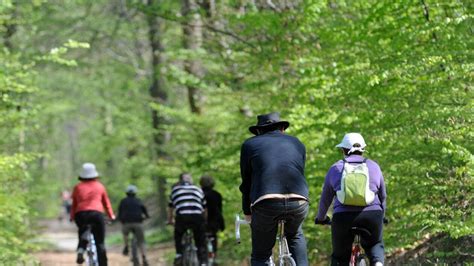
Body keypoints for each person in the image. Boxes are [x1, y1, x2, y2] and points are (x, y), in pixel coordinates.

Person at [240, 112, 309, 266]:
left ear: (258, 131)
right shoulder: (297, 143)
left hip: (266, 202)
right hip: (299, 201)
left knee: (260, 255)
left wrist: (247, 211)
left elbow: (247, 182)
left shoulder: (249, 145)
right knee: (295, 234)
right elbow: (299, 171)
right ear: (282, 129)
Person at [314, 133, 387, 266]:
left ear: (343, 150)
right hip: (372, 215)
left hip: (343, 217)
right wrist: (383, 215)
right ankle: (377, 262)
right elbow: (383, 196)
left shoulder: (336, 168)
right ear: (363, 149)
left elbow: (326, 198)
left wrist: (321, 218)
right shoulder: (374, 166)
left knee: (340, 257)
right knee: (375, 244)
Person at [71, 163, 115, 266]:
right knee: (100, 242)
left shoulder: (77, 187)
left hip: (81, 214)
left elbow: (74, 204)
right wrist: (111, 215)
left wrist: (72, 216)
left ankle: (81, 249)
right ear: (95, 175)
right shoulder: (100, 186)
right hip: (96, 214)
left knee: (83, 231)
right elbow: (106, 203)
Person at [168, 173, 208, 265]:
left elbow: (170, 207)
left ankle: (179, 254)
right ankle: (203, 262)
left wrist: (170, 220)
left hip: (182, 218)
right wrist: (204, 220)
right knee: (200, 240)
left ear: (180, 181)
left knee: (178, 235)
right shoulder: (198, 189)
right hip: (197, 217)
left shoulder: (175, 189)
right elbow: (205, 208)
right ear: (191, 180)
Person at [118, 185, 150, 266]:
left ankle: (126, 246)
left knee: (125, 234)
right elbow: (145, 211)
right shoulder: (139, 200)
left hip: (126, 223)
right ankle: (144, 257)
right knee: (141, 241)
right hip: (138, 223)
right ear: (135, 193)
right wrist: (147, 216)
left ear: (126, 193)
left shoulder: (123, 201)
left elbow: (120, 212)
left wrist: (120, 219)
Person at [199, 175, 225, 255]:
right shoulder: (217, 195)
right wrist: (222, 224)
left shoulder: (198, 193)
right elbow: (219, 211)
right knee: (213, 237)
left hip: (201, 221)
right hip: (214, 222)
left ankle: (201, 256)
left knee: (200, 238)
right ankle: (214, 256)